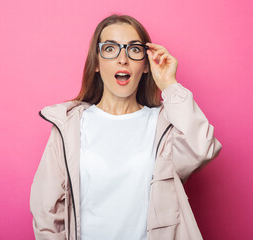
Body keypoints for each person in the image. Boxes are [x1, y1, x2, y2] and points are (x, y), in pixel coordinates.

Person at [30, 14, 222, 240]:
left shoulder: (163, 124)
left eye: (134, 49)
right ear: (97, 64)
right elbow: (46, 210)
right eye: (110, 49)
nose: (123, 59)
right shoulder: (70, 125)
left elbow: (202, 149)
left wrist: (170, 85)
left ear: (146, 65)